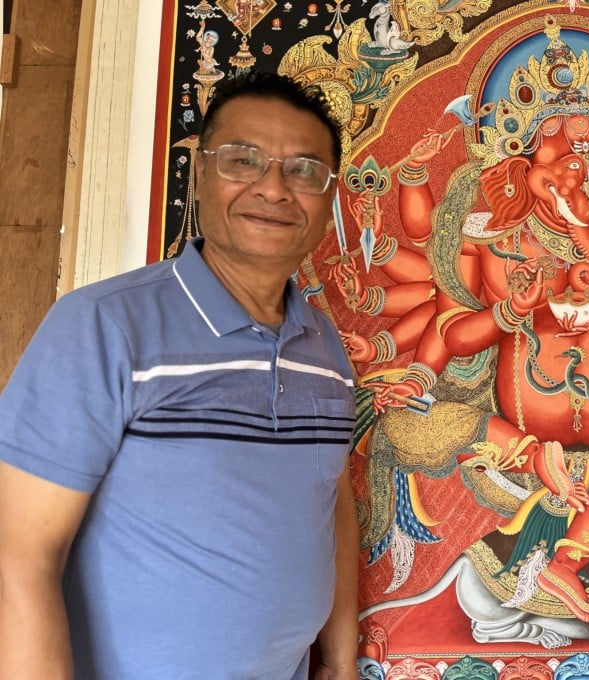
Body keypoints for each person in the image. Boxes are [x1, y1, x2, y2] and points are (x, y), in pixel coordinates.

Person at [0, 72, 359, 679]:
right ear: (198, 172)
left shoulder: (324, 348)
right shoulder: (104, 326)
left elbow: (332, 505)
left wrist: (342, 661)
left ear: (329, 195)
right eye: (243, 160)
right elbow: (17, 557)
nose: (273, 189)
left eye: (303, 170)